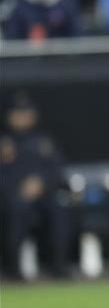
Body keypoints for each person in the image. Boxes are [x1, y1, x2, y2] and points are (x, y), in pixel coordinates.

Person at [0, 93, 72, 279]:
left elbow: (57, 169)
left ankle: (59, 266)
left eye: (27, 112)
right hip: (11, 196)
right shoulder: (5, 141)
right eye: (18, 113)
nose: (23, 117)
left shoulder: (43, 140)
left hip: (43, 193)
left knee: (60, 209)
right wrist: (17, 188)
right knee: (16, 210)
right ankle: (14, 271)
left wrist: (41, 183)